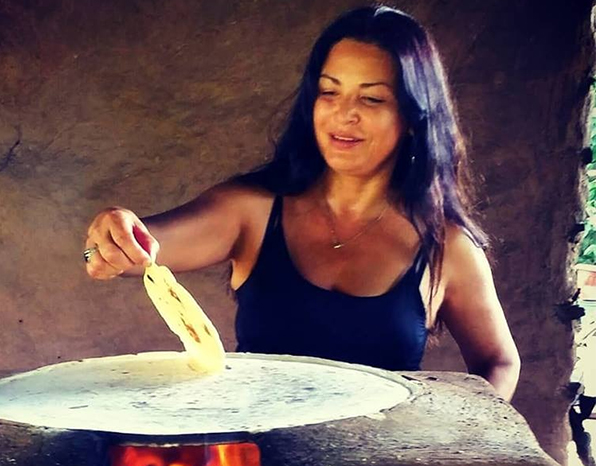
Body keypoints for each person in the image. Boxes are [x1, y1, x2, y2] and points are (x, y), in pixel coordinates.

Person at [84, 5, 521, 400]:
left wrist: (467, 431)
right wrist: (111, 234)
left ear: (412, 117)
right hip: (250, 448)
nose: (344, 113)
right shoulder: (252, 211)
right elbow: (142, 248)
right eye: (329, 92)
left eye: (371, 98)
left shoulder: (446, 247)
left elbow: (499, 362)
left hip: (379, 452)